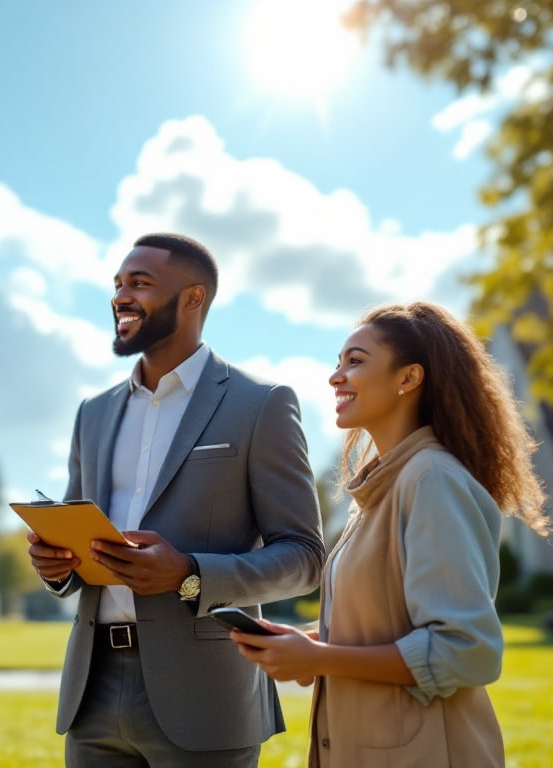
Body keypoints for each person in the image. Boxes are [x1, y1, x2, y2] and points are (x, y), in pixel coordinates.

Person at [27, 232, 325, 767]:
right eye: (117, 284)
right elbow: (76, 538)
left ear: (193, 299)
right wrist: (55, 565)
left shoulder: (261, 405)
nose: (121, 295)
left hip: (205, 696)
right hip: (91, 695)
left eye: (139, 283)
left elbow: (305, 557)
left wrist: (189, 573)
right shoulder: (92, 413)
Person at [233, 301, 550, 767]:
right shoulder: (381, 490)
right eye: (337, 363)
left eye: (355, 362)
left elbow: (465, 651)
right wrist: (307, 642)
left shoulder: (430, 481)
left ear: (408, 378)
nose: (335, 377)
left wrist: (319, 659)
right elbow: (388, 624)